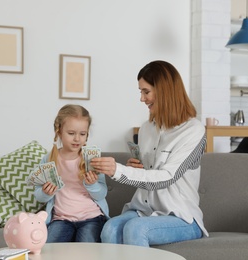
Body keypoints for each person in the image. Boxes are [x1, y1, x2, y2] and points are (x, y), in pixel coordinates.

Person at [90, 60, 209, 247]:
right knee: (110, 228)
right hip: (143, 209)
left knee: (137, 229)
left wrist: (118, 170)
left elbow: (167, 177)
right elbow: (150, 171)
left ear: (164, 91)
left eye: (146, 92)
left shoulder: (193, 130)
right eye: (141, 92)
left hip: (180, 216)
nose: (142, 98)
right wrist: (137, 167)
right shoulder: (146, 129)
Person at [33, 104, 108, 243]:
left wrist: (92, 185)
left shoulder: (93, 160)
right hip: (61, 219)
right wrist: (46, 192)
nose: (77, 139)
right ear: (59, 131)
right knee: (49, 250)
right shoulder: (49, 159)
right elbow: (39, 196)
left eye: (82, 134)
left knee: (88, 252)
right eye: (71, 133)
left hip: (91, 218)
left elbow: (102, 194)